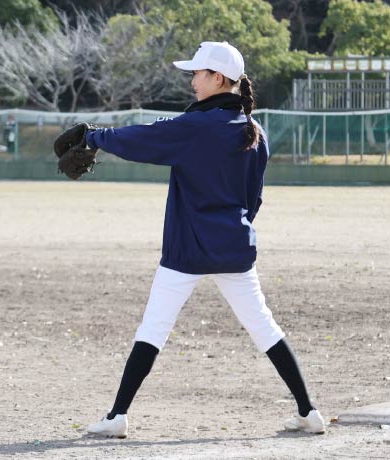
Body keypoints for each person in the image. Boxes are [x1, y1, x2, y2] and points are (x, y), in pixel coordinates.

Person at [81, 42, 325, 437]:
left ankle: (117, 417)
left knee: (153, 328)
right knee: (264, 327)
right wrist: (231, 229)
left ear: (219, 78)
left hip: (187, 250)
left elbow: (142, 139)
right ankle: (308, 411)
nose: (193, 80)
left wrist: (95, 137)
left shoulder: (196, 127)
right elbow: (254, 199)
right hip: (234, 247)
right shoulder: (254, 131)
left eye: (198, 72)